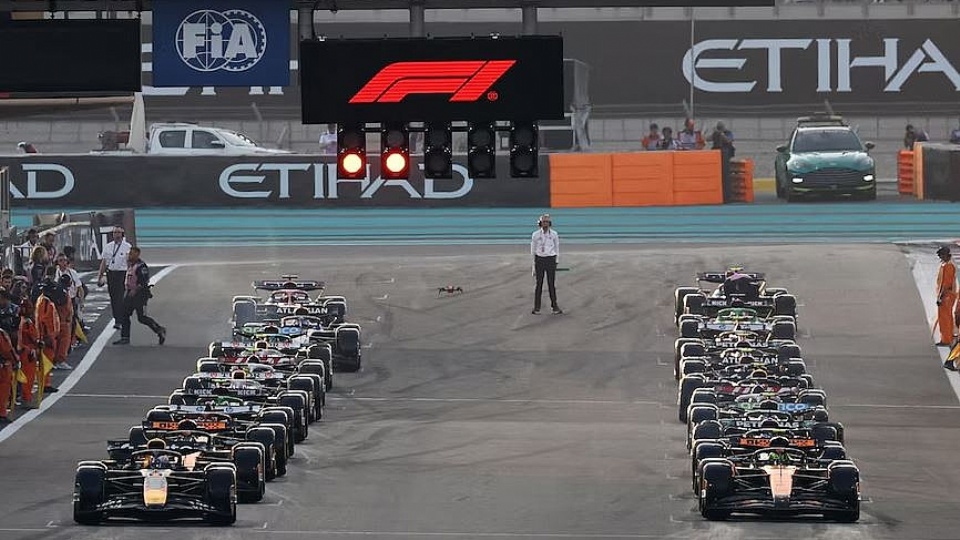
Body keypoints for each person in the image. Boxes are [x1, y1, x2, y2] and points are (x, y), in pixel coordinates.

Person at [114, 247, 166, 346]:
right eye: (129, 254)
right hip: (130, 293)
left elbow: (144, 281)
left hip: (140, 295)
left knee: (142, 317)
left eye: (132, 254)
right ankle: (125, 337)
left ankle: (159, 330)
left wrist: (135, 290)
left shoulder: (141, 266)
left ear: (137, 254)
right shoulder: (131, 265)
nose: (129, 256)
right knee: (124, 314)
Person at [98, 226, 132, 330]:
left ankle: (120, 320)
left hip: (122, 273)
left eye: (118, 232)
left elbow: (129, 262)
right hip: (111, 274)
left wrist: (130, 275)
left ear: (122, 234)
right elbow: (104, 262)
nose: (116, 235)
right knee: (113, 297)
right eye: (115, 232)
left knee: (120, 297)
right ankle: (117, 318)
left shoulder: (127, 246)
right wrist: (100, 275)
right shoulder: (108, 246)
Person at [530, 214, 562, 315]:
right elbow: (533, 250)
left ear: (549, 223)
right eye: (543, 222)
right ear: (540, 223)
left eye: (547, 222)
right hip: (540, 260)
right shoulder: (535, 235)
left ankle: (555, 306)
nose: (545, 224)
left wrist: (556, 261)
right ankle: (536, 307)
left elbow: (557, 247)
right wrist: (533, 265)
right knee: (539, 284)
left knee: (551, 284)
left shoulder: (554, 234)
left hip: (550, 259)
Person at [17, 299, 39, 407]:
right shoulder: (25, 323)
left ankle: (24, 397)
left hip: (26, 352)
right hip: (27, 353)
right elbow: (30, 338)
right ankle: (26, 398)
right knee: (28, 376)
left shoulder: (22, 321)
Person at [935, 246, 957, 347]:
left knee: (944, 318)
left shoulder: (948, 266)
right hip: (947, 295)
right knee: (947, 317)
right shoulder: (947, 264)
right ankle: (949, 337)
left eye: (941, 255)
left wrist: (940, 297)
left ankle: (946, 340)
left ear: (946, 255)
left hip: (946, 296)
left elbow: (946, 284)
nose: (940, 257)